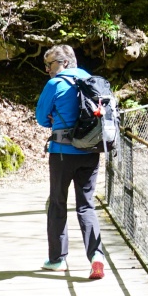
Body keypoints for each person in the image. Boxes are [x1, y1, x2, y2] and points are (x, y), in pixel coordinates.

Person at [33, 44, 107, 279]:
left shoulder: (55, 84)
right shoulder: (92, 81)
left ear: (64, 63)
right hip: (91, 152)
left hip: (63, 153)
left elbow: (41, 118)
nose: (48, 70)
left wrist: (55, 118)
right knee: (86, 205)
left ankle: (58, 260)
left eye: (50, 64)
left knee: (57, 203)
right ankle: (96, 256)